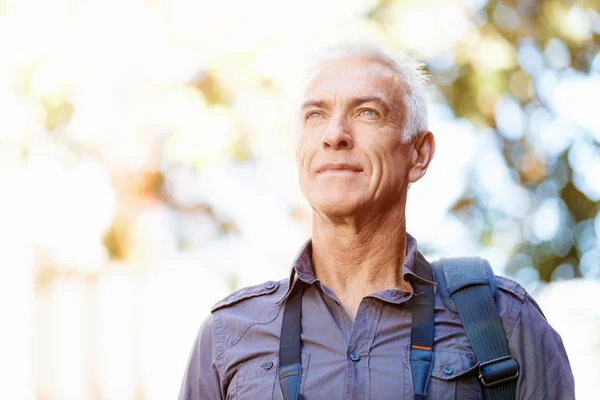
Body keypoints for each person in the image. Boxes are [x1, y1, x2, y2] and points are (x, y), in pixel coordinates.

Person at [178, 41, 575, 399]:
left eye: (367, 112)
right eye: (315, 115)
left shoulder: (502, 321)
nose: (335, 135)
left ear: (418, 154)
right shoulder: (228, 335)